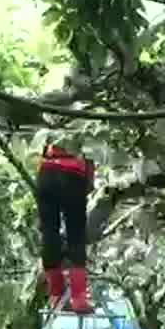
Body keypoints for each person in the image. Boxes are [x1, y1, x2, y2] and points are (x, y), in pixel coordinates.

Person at [36, 135, 96, 315]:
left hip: (47, 172)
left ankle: (55, 295)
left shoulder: (51, 118)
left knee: (49, 233)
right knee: (76, 235)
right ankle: (79, 298)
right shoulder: (84, 122)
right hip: (73, 174)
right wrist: (88, 182)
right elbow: (90, 158)